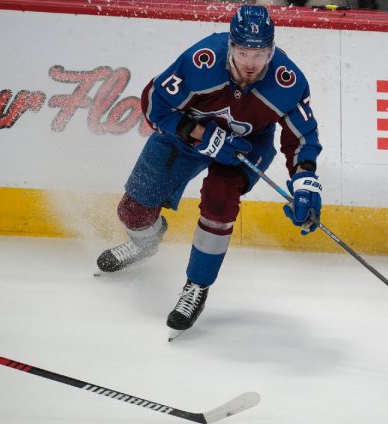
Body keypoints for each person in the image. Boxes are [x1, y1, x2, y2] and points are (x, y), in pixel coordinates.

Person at [96, 5, 323, 340]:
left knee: (219, 203)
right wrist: (202, 134)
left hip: (246, 147)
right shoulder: (201, 61)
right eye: (243, 52)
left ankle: (196, 286)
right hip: (187, 135)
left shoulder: (287, 82)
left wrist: (305, 184)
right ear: (230, 45)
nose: (250, 63)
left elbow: (302, 138)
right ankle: (145, 242)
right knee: (132, 211)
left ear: (271, 51)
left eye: (259, 54)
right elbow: (153, 104)